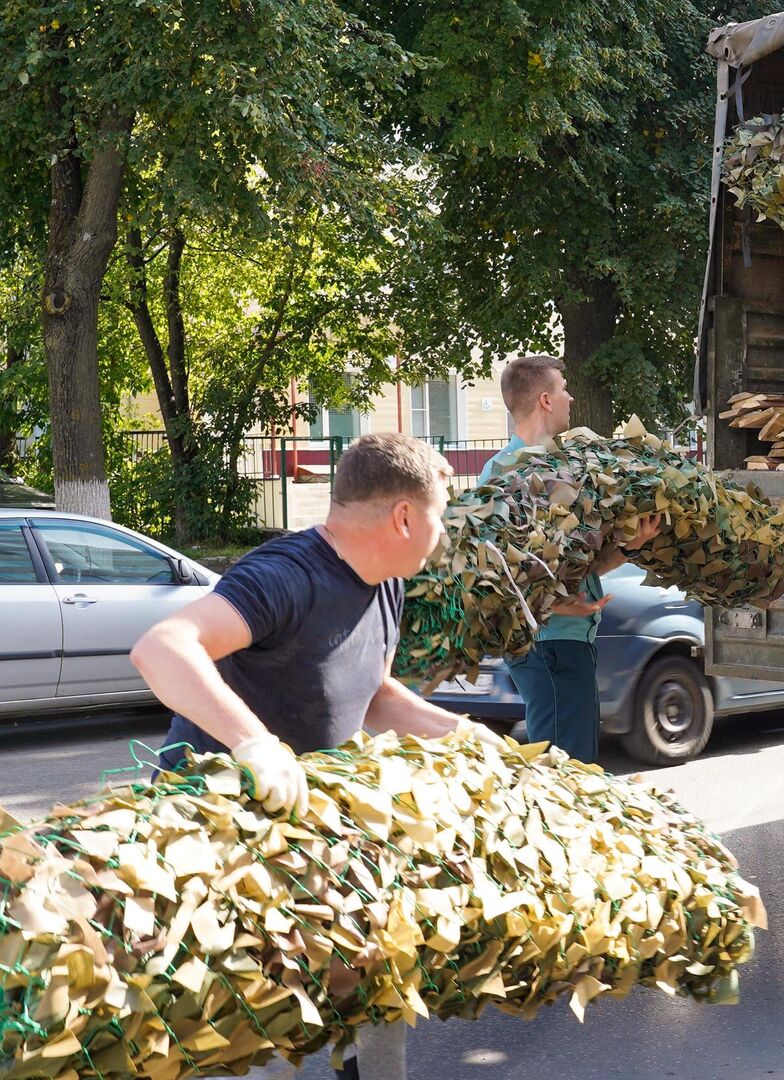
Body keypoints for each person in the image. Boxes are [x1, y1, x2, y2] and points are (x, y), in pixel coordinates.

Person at [131, 432, 502, 1080]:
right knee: (200, 1015)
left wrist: (464, 733)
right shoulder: (286, 576)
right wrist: (254, 744)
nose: (442, 532)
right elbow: (162, 648)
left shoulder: (384, 582)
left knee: (373, 955)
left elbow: (375, 694)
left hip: (303, 813)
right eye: (441, 513)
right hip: (211, 824)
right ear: (405, 518)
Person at [479, 354, 660, 763]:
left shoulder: (560, 467)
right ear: (545, 400)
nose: (571, 397)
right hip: (549, 647)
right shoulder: (506, 472)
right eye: (563, 389)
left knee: (572, 768)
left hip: (566, 645)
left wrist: (629, 547)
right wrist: (556, 603)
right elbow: (494, 569)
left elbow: (581, 566)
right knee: (566, 774)